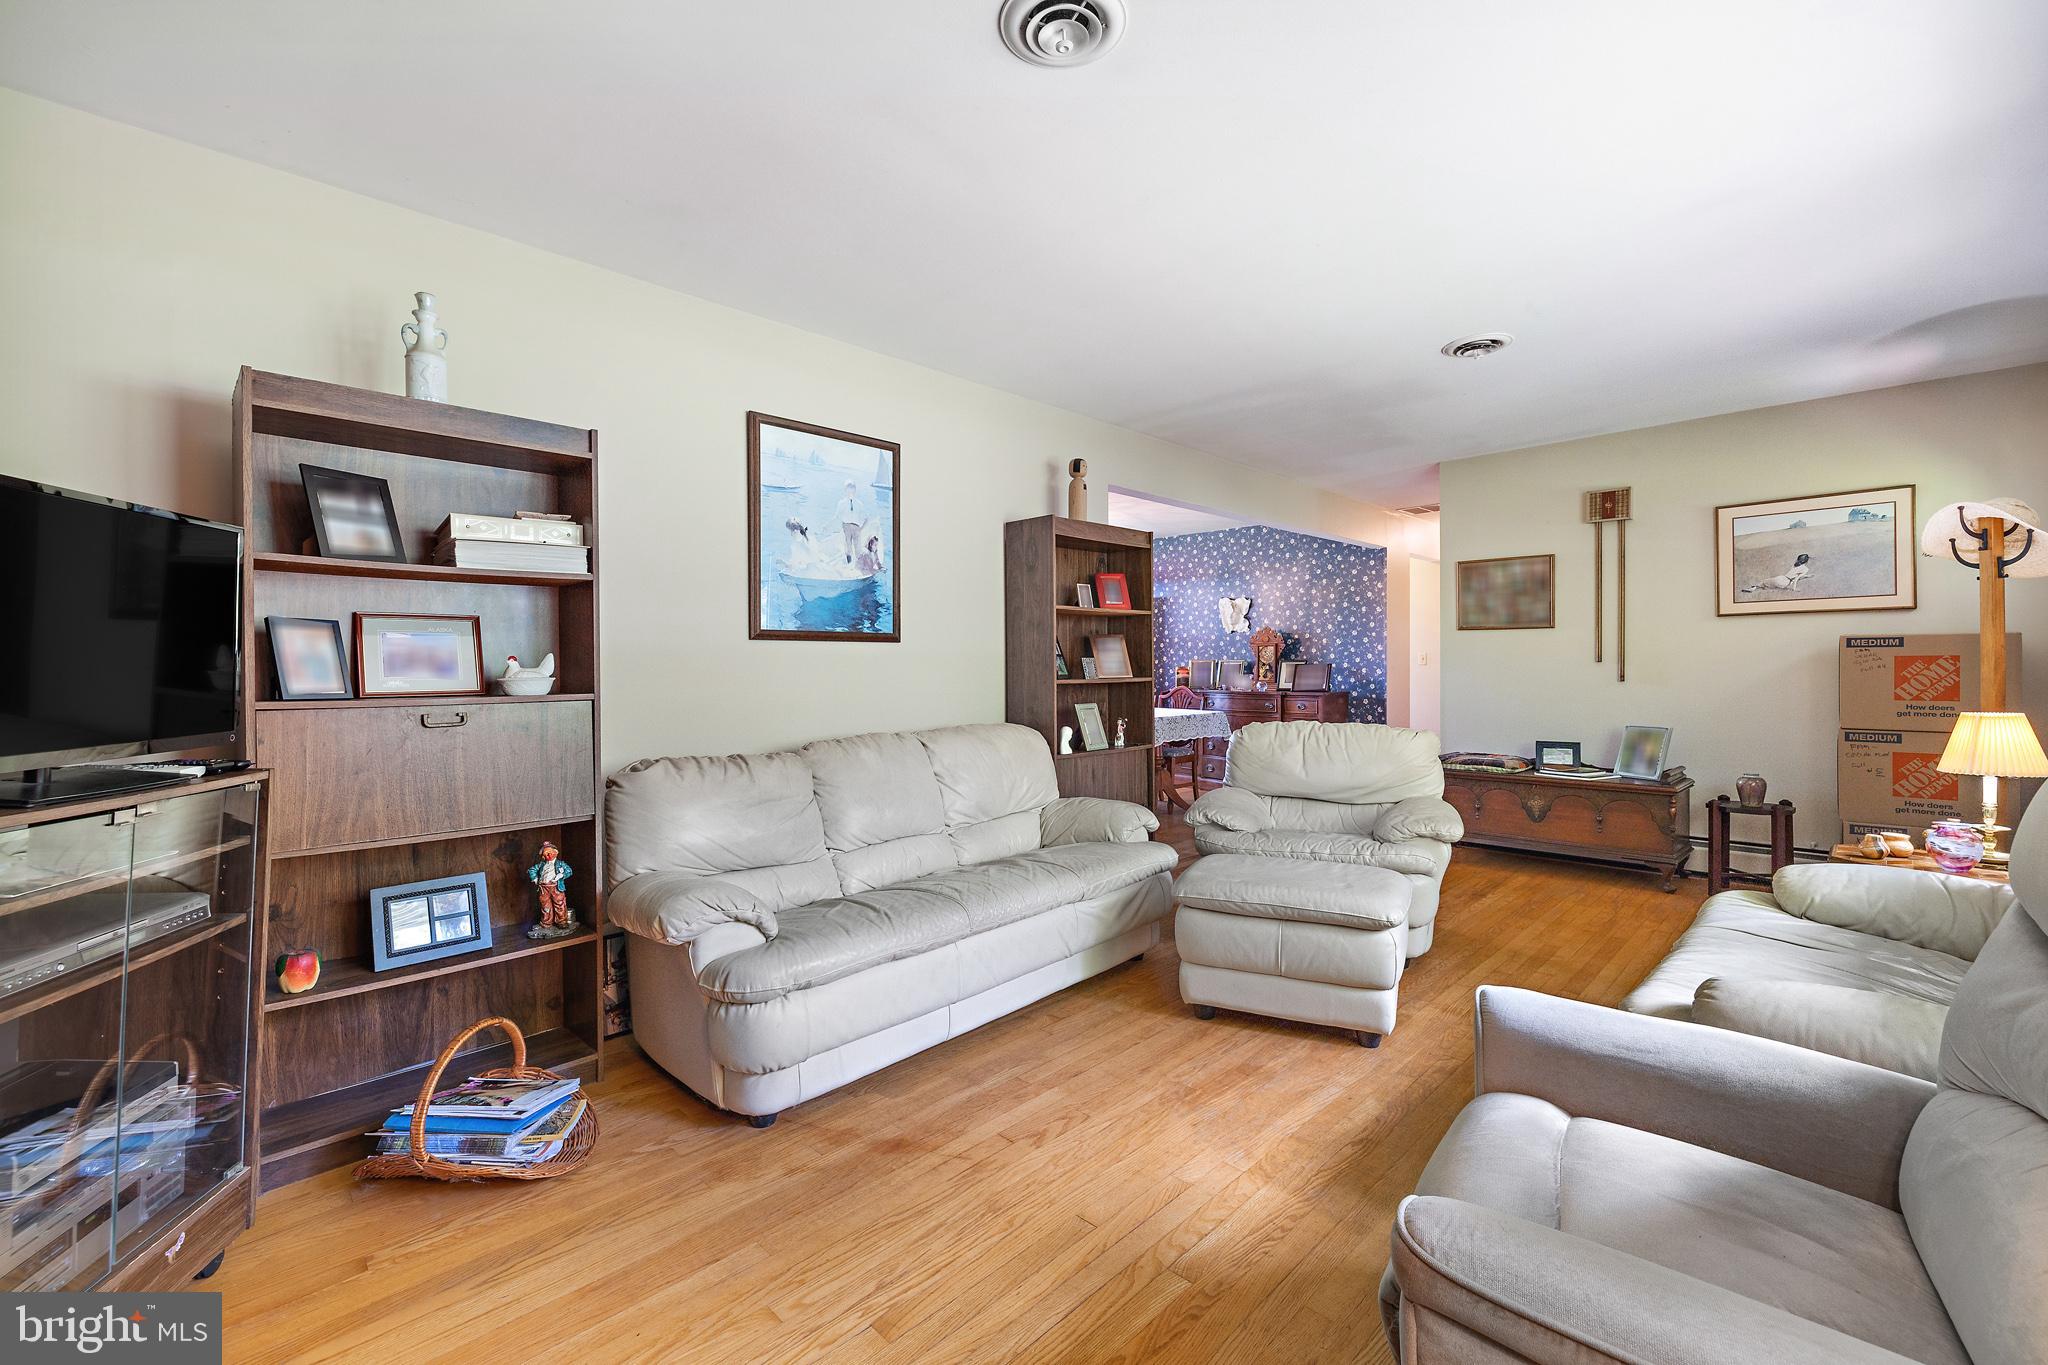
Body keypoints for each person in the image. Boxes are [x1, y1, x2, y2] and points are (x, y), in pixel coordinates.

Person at [527, 840, 576, 938]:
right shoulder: (542, 865)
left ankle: (561, 921)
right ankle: (546, 922)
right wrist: (535, 879)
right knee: (545, 905)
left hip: (556, 887)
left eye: (548, 854)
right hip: (544, 887)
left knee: (559, 904)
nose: (546, 857)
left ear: (555, 852)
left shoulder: (560, 864)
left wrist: (561, 875)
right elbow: (531, 870)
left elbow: (569, 871)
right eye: (544, 855)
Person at [836, 480, 863, 563]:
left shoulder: (859, 503)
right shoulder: (842, 503)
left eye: (852, 489)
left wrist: (861, 528)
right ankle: (850, 564)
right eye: (849, 489)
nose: (850, 491)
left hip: (855, 527)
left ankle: (858, 565)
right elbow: (836, 516)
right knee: (848, 546)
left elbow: (866, 517)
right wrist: (827, 526)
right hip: (846, 526)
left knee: (857, 547)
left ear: (855, 490)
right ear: (845, 490)